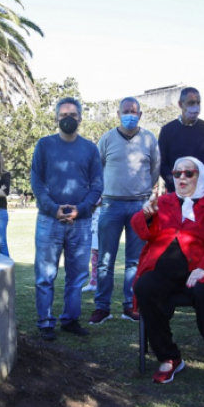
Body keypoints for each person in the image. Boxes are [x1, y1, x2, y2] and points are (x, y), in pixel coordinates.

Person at [131, 157, 204, 399]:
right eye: (177, 173)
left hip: (202, 272)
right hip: (164, 273)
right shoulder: (163, 201)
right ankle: (169, 357)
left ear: (199, 176)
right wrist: (146, 215)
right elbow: (140, 229)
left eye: (188, 173)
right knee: (145, 287)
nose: (181, 177)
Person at [31, 97, 104, 340]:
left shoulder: (90, 149)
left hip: (80, 222)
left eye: (72, 115)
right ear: (55, 119)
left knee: (77, 276)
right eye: (63, 115)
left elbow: (97, 186)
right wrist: (53, 208)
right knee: (45, 276)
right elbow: (37, 182)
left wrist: (80, 210)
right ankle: (45, 321)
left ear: (80, 118)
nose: (68, 119)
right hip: (48, 220)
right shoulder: (44, 145)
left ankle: (70, 319)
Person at [90, 97, 161, 325]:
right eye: (125, 111)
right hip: (111, 205)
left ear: (140, 115)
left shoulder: (149, 138)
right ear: (118, 113)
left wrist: (143, 190)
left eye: (134, 111)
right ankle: (102, 307)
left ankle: (130, 306)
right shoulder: (107, 138)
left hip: (139, 206)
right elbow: (97, 167)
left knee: (135, 261)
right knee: (104, 260)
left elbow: (155, 169)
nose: (130, 114)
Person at [158, 87, 204, 193]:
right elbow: (161, 163)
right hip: (175, 192)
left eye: (198, 103)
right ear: (181, 104)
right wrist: (176, 182)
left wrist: (200, 181)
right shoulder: (167, 130)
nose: (195, 107)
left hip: (201, 191)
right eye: (191, 103)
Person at [81, 203, 101, 293]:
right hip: (93, 219)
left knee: (102, 254)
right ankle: (93, 282)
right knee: (94, 252)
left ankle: (101, 283)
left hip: (103, 217)